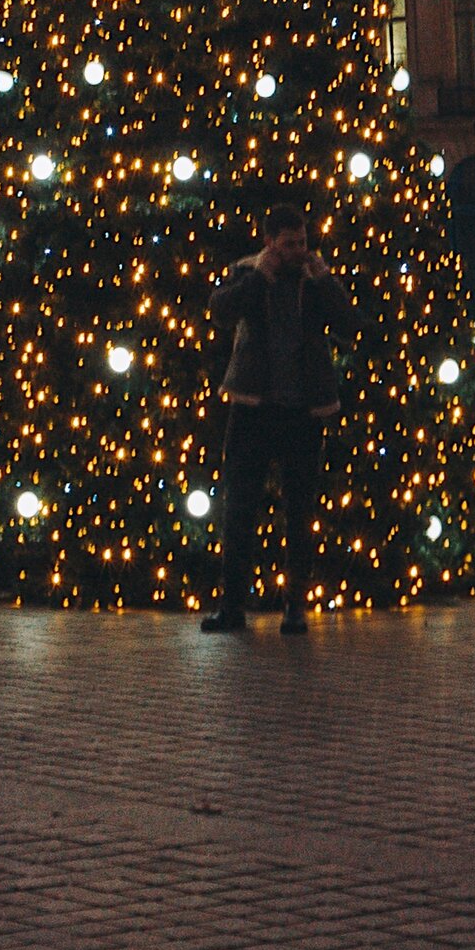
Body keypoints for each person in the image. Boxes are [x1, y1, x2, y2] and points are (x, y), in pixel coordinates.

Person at [202, 204, 351, 633]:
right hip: (253, 408)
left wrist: (325, 282)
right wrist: (259, 277)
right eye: (289, 245)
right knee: (239, 510)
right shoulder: (247, 272)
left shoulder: (314, 279)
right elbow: (221, 311)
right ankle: (232, 607)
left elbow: (347, 323)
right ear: (269, 243)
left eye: (302, 242)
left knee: (300, 512)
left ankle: (295, 607)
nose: (298, 252)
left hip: (303, 412)